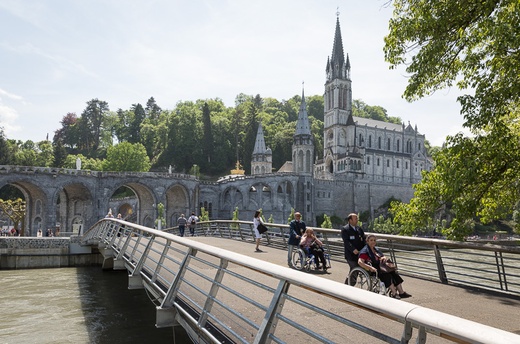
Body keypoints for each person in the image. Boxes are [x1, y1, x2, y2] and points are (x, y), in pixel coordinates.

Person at [358, 234, 411, 299]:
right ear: (367, 241)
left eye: (374, 240)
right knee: (386, 275)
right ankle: (394, 293)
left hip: (381, 267)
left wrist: (384, 257)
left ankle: (401, 292)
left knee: (394, 273)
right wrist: (370, 268)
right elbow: (360, 262)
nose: (373, 242)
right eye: (371, 240)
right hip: (373, 269)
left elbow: (381, 256)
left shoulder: (376, 249)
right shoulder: (365, 251)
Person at [341, 213, 366, 284]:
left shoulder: (359, 229)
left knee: (355, 270)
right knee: (354, 268)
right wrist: (353, 249)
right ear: (350, 220)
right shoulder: (345, 229)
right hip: (351, 255)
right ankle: (349, 285)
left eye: (357, 218)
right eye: (355, 219)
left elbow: (364, 239)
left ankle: (347, 284)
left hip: (360, 253)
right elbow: (346, 241)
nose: (357, 220)